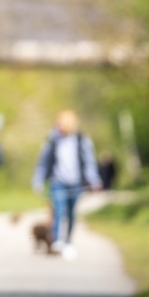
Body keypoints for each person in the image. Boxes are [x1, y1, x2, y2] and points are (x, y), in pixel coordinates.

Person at [31, 110, 102, 260]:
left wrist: (94, 180)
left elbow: (89, 162)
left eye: (62, 124)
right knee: (59, 211)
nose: (59, 126)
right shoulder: (52, 140)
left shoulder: (82, 140)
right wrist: (38, 181)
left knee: (70, 213)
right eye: (58, 124)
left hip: (76, 183)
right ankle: (57, 241)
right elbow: (43, 163)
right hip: (57, 182)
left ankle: (68, 241)